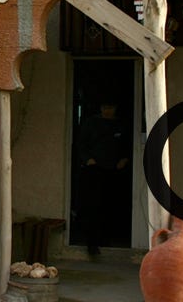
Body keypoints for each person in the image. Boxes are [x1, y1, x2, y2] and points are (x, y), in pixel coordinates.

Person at [77, 102, 130, 255]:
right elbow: (81, 144)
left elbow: (127, 144)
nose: (108, 110)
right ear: (100, 108)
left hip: (114, 169)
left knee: (112, 205)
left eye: (111, 107)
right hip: (94, 169)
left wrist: (124, 159)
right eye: (105, 107)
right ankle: (92, 244)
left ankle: (106, 240)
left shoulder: (121, 124)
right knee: (93, 206)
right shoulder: (91, 123)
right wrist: (88, 160)